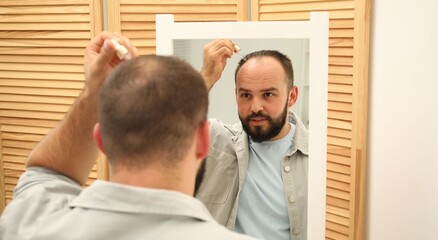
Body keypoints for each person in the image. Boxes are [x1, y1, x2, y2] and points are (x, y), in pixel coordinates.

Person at [0, 33, 256, 240]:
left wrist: (96, 90)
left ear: (101, 140)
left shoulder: (30, 225)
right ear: (203, 140)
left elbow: (48, 173)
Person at [195, 39, 309, 240]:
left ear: (291, 96)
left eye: (268, 94)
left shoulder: (318, 156)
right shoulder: (216, 140)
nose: (255, 106)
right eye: (246, 95)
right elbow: (157, 135)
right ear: (236, 96)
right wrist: (205, 77)